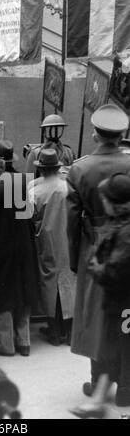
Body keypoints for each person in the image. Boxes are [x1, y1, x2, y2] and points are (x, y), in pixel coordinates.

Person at [66, 103, 130, 399]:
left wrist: (75, 257)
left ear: (95, 133)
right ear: (122, 134)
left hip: (96, 247)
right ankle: (127, 387)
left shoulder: (79, 168)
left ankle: (99, 381)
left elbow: (71, 220)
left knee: (98, 316)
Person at [71, 173, 130, 418]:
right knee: (113, 348)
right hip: (118, 302)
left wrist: (95, 265)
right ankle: (104, 398)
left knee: (117, 347)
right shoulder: (120, 224)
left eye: (105, 199)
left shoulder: (125, 231)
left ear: (114, 201)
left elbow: (115, 269)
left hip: (122, 303)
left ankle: (100, 400)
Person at [0, 142, 39, 357]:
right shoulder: (20, 179)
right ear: (0, 161)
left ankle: (5, 344)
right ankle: (24, 341)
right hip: (23, 244)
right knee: (21, 288)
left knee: (0, 293)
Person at [28, 150, 76, 346]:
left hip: (46, 241)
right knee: (69, 282)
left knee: (49, 283)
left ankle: (54, 331)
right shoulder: (70, 188)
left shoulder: (33, 191)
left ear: (40, 168)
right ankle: (70, 332)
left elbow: (28, 219)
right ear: (58, 167)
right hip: (69, 240)